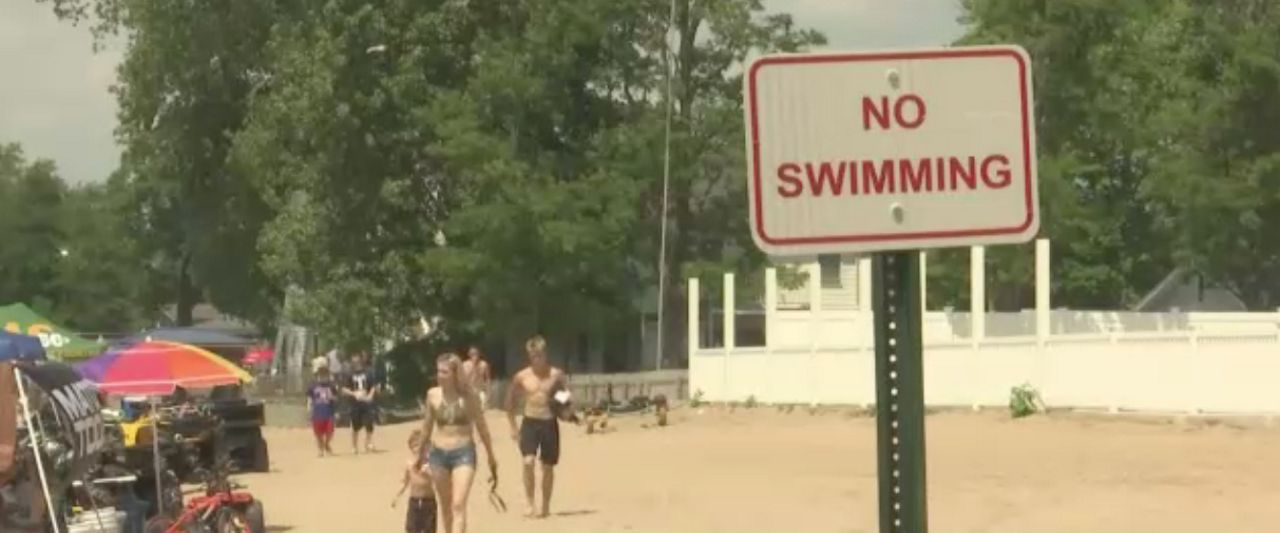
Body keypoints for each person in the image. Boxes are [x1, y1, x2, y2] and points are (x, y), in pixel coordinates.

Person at [418, 353, 498, 533]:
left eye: (445, 372)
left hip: (463, 453)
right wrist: (419, 455)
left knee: (458, 504)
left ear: (456, 374)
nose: (440, 375)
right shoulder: (433, 395)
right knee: (446, 506)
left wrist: (491, 456)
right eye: (438, 371)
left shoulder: (470, 397)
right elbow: (426, 428)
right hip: (438, 454)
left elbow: (482, 427)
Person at [504, 335, 572, 518]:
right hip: (530, 422)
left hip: (549, 422)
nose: (537, 359)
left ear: (545, 354)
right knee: (528, 462)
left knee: (548, 467)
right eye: (533, 356)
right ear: (529, 356)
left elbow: (566, 397)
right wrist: (512, 427)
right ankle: (529, 502)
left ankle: (546, 505)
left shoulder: (556, 375)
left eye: (540, 355)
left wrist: (566, 410)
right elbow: (509, 403)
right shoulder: (522, 377)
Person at [393, 429, 437, 533]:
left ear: (427, 447)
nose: (417, 449)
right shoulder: (409, 464)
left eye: (420, 446)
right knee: (412, 528)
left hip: (428, 501)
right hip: (414, 501)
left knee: (429, 528)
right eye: (414, 446)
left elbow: (438, 481)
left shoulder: (431, 463)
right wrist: (397, 496)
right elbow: (405, 482)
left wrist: (429, 473)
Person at [341, 352, 381, 453]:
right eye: (354, 362)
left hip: (366, 402)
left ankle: (368, 443)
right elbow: (344, 389)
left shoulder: (368, 372)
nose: (356, 363)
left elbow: (373, 386)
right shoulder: (349, 374)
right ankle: (354, 446)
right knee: (355, 426)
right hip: (355, 404)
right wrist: (353, 393)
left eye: (358, 361)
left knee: (369, 424)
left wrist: (370, 396)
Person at [306, 365, 339, 456]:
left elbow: (336, 398)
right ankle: (320, 448)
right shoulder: (313, 386)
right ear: (317, 376)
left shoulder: (331, 386)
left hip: (329, 412)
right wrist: (309, 408)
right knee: (318, 433)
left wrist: (332, 398)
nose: (323, 378)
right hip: (317, 412)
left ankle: (327, 443)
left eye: (325, 376)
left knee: (330, 431)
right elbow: (309, 398)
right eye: (321, 376)